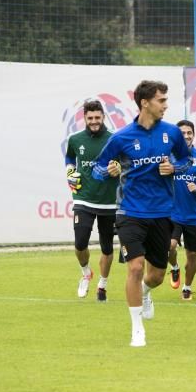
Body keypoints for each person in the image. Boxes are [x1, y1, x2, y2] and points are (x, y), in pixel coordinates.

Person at [92, 80, 191, 347]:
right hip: (129, 212)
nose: (165, 105)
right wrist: (108, 171)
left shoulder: (172, 133)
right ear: (144, 103)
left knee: (156, 275)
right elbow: (97, 170)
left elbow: (185, 160)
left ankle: (146, 292)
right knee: (135, 267)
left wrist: (174, 168)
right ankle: (137, 329)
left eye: (166, 100)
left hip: (162, 213)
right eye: (161, 100)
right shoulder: (121, 137)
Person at [64, 99, 118, 302]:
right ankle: (86, 272)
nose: (94, 121)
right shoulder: (75, 139)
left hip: (109, 202)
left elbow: (126, 162)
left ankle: (102, 286)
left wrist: (119, 168)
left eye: (97, 117)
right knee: (80, 243)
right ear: (84, 118)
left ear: (103, 116)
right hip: (83, 199)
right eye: (90, 118)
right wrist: (69, 171)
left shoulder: (115, 138)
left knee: (106, 247)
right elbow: (69, 158)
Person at [167, 120, 196, 300]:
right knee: (169, 246)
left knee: (192, 254)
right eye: (182, 133)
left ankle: (187, 286)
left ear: (193, 135)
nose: (186, 136)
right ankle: (175, 267)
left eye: (189, 133)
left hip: (193, 216)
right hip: (172, 213)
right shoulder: (167, 157)